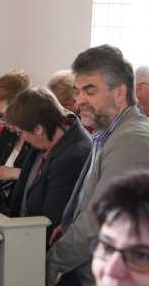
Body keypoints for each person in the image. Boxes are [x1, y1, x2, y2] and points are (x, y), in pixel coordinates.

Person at [45, 44, 149, 286]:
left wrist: (50, 265)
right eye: (77, 92)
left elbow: (99, 222)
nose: (79, 101)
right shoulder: (110, 131)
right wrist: (67, 225)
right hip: (91, 267)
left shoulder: (132, 139)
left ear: (120, 92)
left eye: (90, 90)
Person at [5, 87, 92, 240]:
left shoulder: (73, 156)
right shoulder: (47, 137)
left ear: (38, 128)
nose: (22, 138)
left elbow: (50, 224)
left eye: (21, 132)